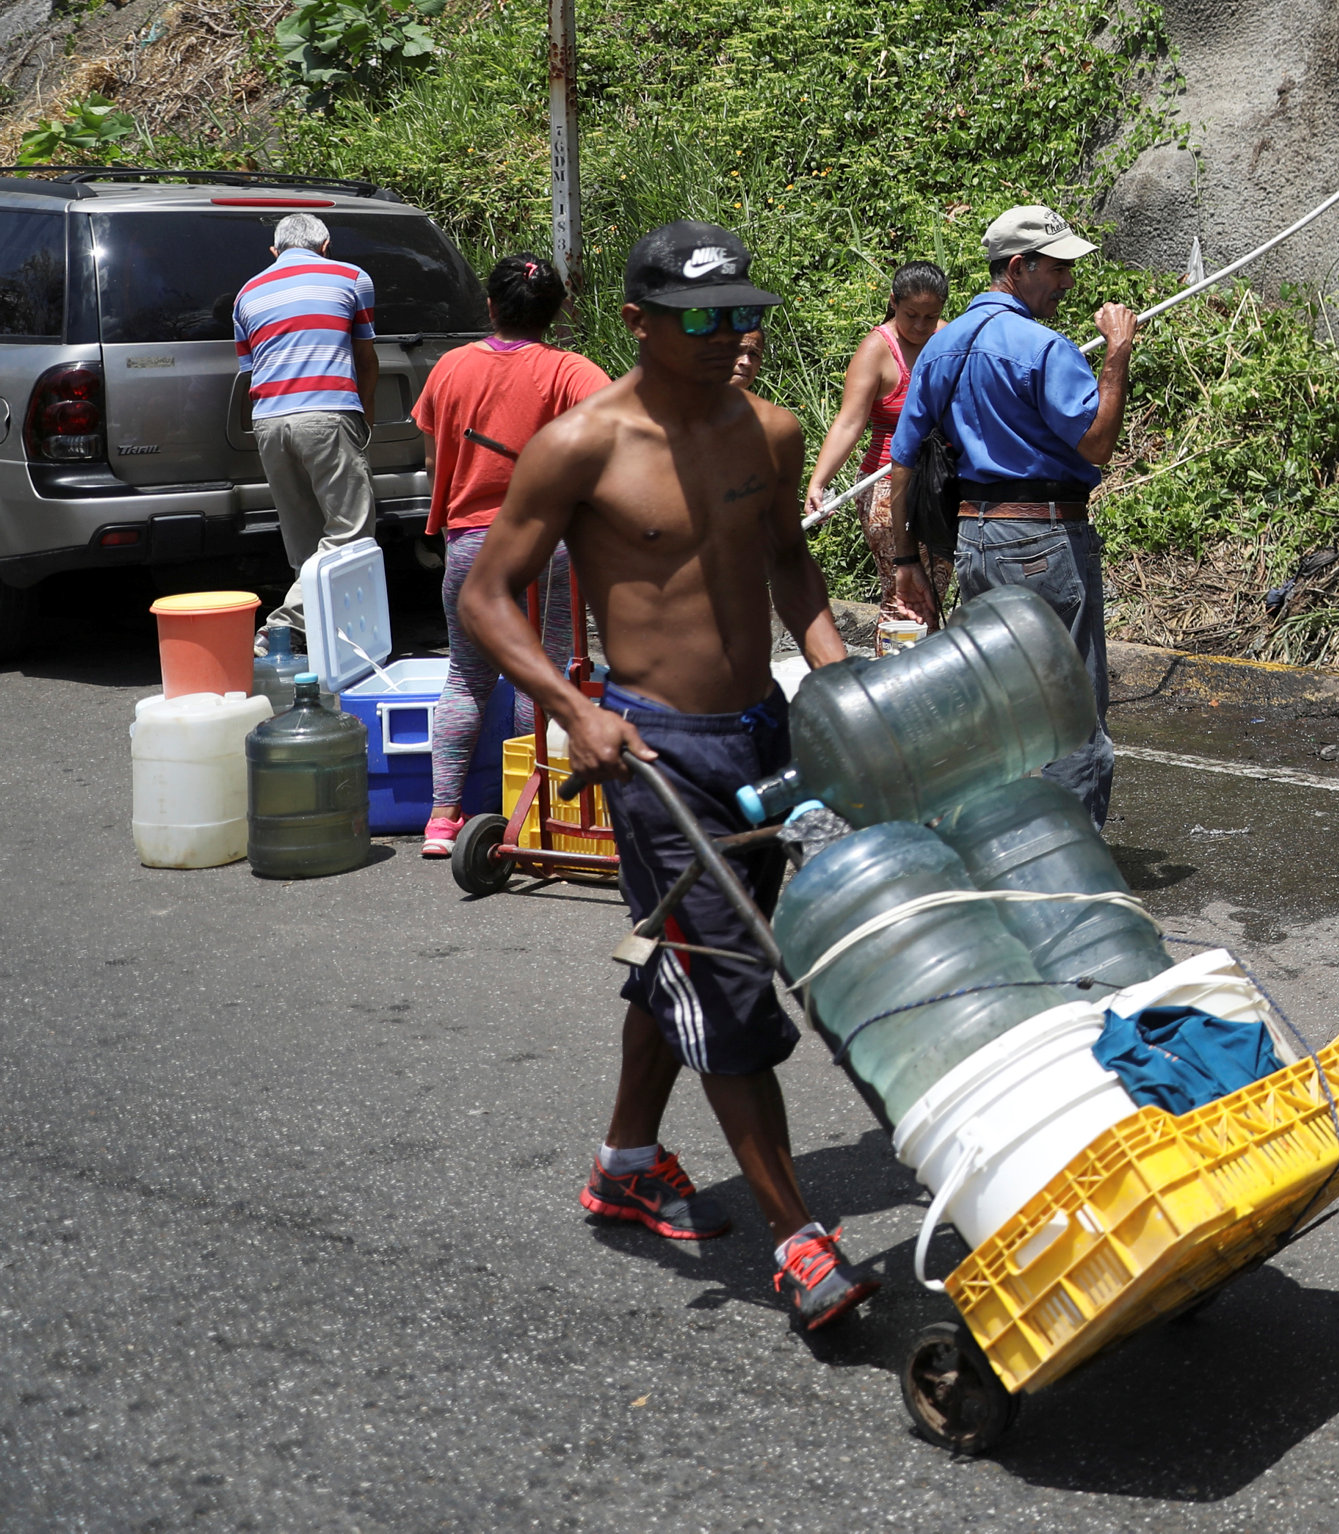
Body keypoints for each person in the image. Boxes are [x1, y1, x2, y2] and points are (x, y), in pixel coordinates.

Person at [460, 221, 877, 1334]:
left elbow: (789, 560)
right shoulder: (581, 446)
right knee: (732, 980)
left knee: (688, 959)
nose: (725, 334)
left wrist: (840, 688)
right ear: (638, 321)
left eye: (741, 312)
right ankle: (799, 1241)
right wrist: (572, 709)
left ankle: (627, 1162)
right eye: (700, 315)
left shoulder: (772, 434)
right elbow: (487, 596)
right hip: (652, 750)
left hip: (763, 734)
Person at [885, 206, 1137, 824]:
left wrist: (905, 560)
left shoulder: (939, 348)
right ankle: (1065, 867)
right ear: (1018, 268)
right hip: (1045, 539)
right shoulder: (1041, 347)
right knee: (1069, 713)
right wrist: (1117, 355)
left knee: (1001, 710)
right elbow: (1098, 444)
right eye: (1058, 269)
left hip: (976, 543)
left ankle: (999, 846)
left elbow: (902, 463)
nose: (1069, 283)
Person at [408, 253, 604, 855]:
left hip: (472, 544)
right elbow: (618, 434)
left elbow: (431, 454)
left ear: (490, 306)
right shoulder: (572, 371)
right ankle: (536, 810)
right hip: (550, 546)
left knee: (466, 678)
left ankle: (442, 820)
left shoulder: (451, 367)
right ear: (558, 312)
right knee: (539, 677)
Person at [236, 212, 378, 648]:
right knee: (350, 531)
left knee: (302, 538)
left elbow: (249, 372)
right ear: (326, 243)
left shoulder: (246, 293)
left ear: (274, 252)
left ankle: (317, 640)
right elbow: (365, 358)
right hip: (327, 412)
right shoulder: (352, 277)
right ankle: (282, 625)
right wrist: (362, 421)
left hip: (268, 421)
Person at [807, 263, 952, 626]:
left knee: (934, 598)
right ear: (893, 303)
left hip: (941, 482)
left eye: (930, 317)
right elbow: (849, 422)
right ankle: (895, 676)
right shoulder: (876, 349)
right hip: (885, 485)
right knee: (901, 595)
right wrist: (819, 482)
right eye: (911, 315)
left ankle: (929, 677)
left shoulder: (948, 339)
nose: (921, 326)